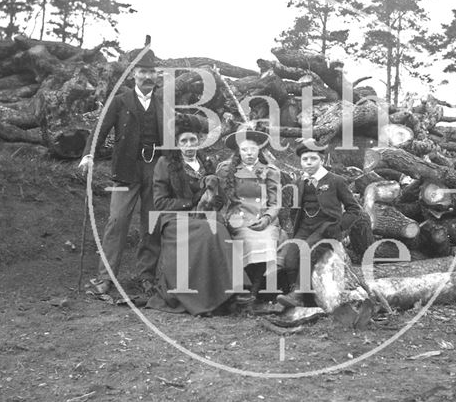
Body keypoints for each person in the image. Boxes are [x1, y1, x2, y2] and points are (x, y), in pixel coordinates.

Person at [78, 49, 161, 295]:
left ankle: (147, 277)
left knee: (152, 223)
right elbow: (100, 128)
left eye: (152, 72)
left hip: (155, 170)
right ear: (134, 74)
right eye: (143, 71)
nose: (147, 76)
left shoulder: (163, 103)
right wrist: (88, 154)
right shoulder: (120, 100)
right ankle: (105, 278)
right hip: (125, 169)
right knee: (117, 220)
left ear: (157, 75)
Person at [145, 121, 248, 316]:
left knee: (218, 226)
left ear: (199, 142)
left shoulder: (206, 164)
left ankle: (231, 292)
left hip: (202, 216)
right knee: (209, 231)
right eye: (184, 141)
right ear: (177, 144)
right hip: (175, 219)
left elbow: (216, 196)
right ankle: (208, 297)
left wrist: (216, 203)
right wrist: (190, 202)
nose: (189, 145)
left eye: (193, 140)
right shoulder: (165, 164)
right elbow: (160, 202)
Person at [276, 139, 362, 308]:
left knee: (307, 251)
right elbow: (296, 211)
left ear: (322, 160)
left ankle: (299, 294)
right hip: (304, 228)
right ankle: (303, 298)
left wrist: (338, 227)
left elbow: (354, 209)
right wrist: (296, 228)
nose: (308, 163)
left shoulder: (336, 181)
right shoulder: (299, 183)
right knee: (291, 255)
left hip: (326, 228)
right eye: (304, 159)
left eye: (313, 159)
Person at [216, 127, 282, 305]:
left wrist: (267, 218)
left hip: (263, 217)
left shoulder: (270, 171)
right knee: (246, 237)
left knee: (266, 238)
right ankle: (246, 289)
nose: (249, 153)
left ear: (259, 150)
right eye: (245, 149)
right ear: (238, 151)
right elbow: (220, 197)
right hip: (239, 216)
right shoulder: (227, 170)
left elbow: (276, 202)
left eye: (253, 149)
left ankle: (254, 291)